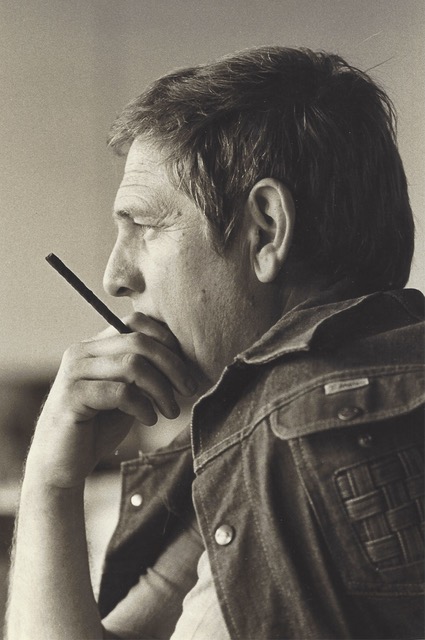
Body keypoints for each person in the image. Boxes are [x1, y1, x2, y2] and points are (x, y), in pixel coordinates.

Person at [6, 46, 424, 640]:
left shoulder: (287, 437)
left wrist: (49, 479)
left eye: (145, 225)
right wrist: (52, 477)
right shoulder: (270, 422)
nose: (115, 277)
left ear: (266, 230)